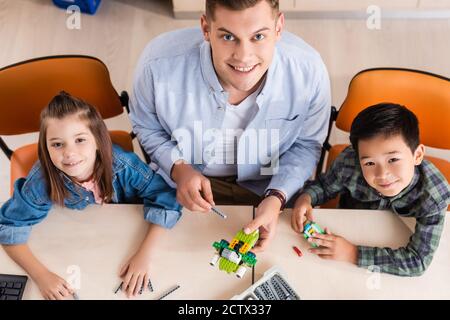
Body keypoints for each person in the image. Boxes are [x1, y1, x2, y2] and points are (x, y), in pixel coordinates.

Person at [130, 0, 331, 251]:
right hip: (182, 185)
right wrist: (178, 169)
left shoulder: (309, 71)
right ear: (205, 28)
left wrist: (277, 196)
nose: (243, 57)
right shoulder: (157, 65)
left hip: (271, 184)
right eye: (227, 36)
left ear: (279, 27)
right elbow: (146, 126)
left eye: (258, 36)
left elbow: (306, 144)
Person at [0, 92, 182, 299]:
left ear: (97, 139)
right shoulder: (41, 181)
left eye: (80, 140)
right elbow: (8, 227)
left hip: (125, 236)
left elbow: (166, 198)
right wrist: (41, 276)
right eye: (57, 144)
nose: (69, 153)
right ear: (46, 147)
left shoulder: (123, 165)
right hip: (76, 243)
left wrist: (145, 254)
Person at [292, 103, 449, 276]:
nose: (382, 174)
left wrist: (352, 253)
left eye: (393, 159)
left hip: (385, 245)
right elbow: (324, 187)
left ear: (417, 155)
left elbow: (417, 261)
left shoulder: (435, 195)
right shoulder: (349, 163)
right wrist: (306, 198)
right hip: (349, 230)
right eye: (369, 163)